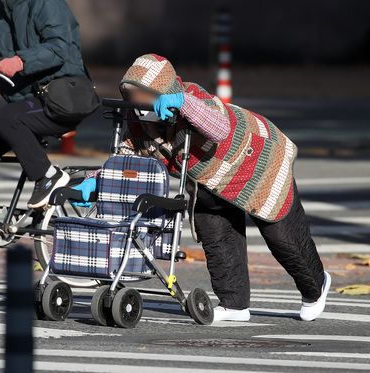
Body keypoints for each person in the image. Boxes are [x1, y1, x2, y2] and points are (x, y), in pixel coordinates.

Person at [74, 54, 331, 322]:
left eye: (142, 94)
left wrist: (183, 104)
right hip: (209, 181)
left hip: (258, 162)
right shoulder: (139, 123)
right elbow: (127, 160)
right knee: (215, 234)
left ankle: (316, 286)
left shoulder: (194, 97)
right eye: (130, 94)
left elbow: (219, 128)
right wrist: (97, 180)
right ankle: (234, 304)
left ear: (163, 90)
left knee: (282, 237)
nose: (137, 102)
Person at [0, 0, 89, 253]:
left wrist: (21, 62)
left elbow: (60, 47)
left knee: (5, 117)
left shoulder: (45, 3)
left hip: (63, 95)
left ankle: (48, 176)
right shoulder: (2, 9)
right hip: (30, 101)